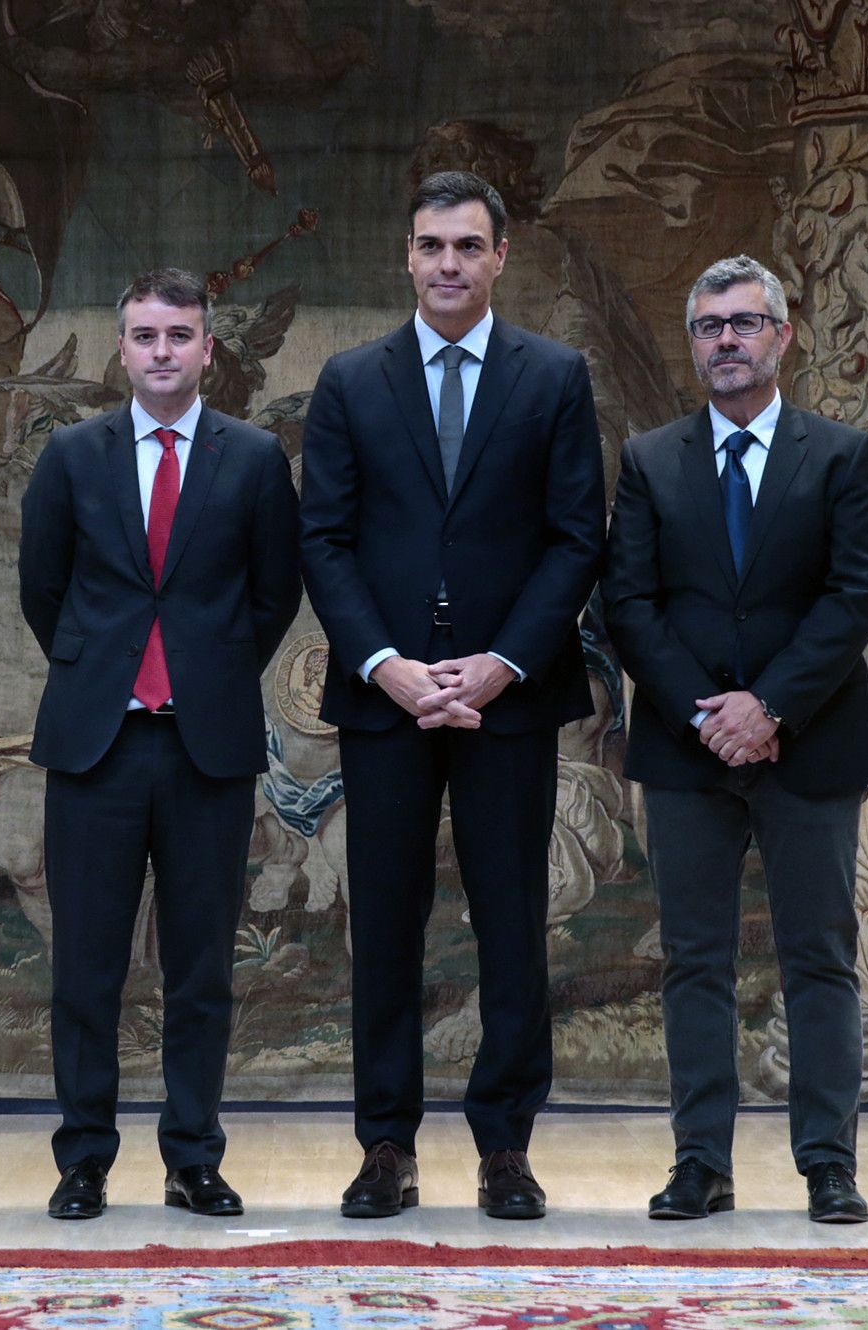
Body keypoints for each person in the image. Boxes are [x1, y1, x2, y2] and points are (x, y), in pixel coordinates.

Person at [299, 172, 605, 1220]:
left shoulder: (553, 376)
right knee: (382, 922)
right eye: (429, 245)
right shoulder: (349, 380)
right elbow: (323, 540)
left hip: (505, 698)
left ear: (498, 257)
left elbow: (575, 538)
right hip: (384, 698)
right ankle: (385, 1144)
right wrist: (384, 662)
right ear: (405, 254)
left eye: (466, 247)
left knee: (511, 923)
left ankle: (504, 1148)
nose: (446, 264)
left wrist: (503, 661)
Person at [602, 255, 868, 1224]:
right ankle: (699, 1164)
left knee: (818, 955)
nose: (723, 339)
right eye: (706, 326)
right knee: (693, 960)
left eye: (742, 322)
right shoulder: (646, 459)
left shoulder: (840, 453)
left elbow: (852, 596)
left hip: (808, 744)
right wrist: (709, 713)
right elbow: (629, 604)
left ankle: (826, 1163)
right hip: (686, 752)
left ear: (781, 335)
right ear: (691, 343)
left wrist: (765, 708)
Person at [18, 267, 302, 1220]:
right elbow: (43, 591)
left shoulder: (256, 458)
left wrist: (207, 670)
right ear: (122, 345)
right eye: (144, 336)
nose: (162, 352)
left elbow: (273, 597)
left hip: (204, 748)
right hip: (96, 747)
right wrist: (105, 668)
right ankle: (84, 1160)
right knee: (87, 969)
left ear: (208, 349)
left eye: (180, 336)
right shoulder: (71, 455)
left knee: (202, 970)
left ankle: (193, 1157)